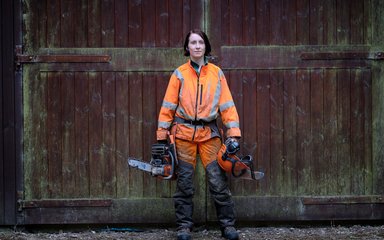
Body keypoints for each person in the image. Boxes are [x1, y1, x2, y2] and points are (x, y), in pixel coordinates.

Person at [156, 29, 241, 240]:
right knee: (184, 183)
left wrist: (233, 134)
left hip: (209, 134)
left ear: (206, 46)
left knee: (218, 182)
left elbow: (227, 106)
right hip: (183, 134)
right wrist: (161, 135)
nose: (196, 46)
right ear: (187, 47)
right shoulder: (179, 74)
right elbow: (168, 106)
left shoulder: (217, 73)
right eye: (192, 42)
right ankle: (184, 228)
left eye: (200, 42)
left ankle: (228, 227)